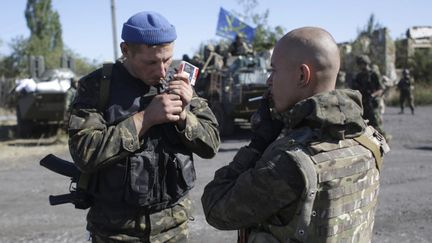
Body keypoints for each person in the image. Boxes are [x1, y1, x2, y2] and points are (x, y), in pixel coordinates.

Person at [201, 27, 390, 242]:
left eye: (274, 70)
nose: (269, 81)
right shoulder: (369, 138)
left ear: (302, 75)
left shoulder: (289, 160)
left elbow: (215, 207)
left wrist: (257, 145)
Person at [68, 11, 220, 242]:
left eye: (167, 59)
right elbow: (84, 153)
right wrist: (145, 119)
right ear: (126, 50)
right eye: (150, 62)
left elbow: (211, 145)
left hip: (174, 231)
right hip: (116, 233)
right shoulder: (97, 87)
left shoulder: (179, 81)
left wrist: (184, 116)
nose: (161, 71)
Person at [350, 54, 388, 139]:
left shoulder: (374, 74)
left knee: (376, 125)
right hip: (363, 103)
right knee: (364, 125)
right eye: (359, 64)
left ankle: (384, 141)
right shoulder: (358, 76)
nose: (360, 66)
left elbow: (381, 89)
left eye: (361, 63)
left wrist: (373, 95)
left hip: (372, 103)